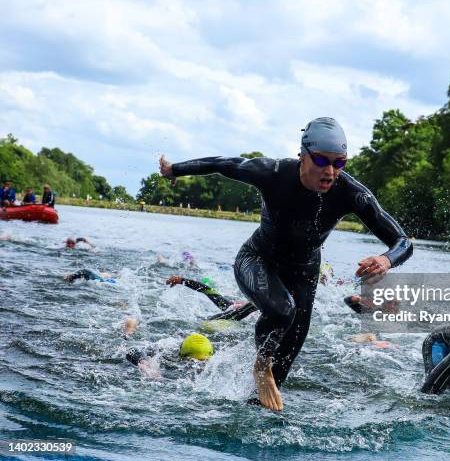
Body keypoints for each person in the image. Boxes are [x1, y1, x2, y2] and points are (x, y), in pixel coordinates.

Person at [159, 116, 413, 411]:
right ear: (302, 156)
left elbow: (403, 241)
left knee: (287, 356)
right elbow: (223, 163)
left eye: (339, 162)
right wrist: (173, 169)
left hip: (304, 273)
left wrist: (385, 259)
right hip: (256, 258)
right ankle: (260, 364)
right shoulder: (274, 172)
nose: (330, 171)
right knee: (282, 311)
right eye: (321, 160)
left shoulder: (351, 193)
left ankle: (255, 413)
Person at [166, 275, 258, 321]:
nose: (238, 305)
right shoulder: (231, 308)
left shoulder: (261, 308)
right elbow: (208, 291)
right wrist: (182, 280)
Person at [126, 333, 214, 379]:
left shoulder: (216, 363)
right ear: (182, 356)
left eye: (203, 361)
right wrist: (144, 361)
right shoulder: (167, 352)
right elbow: (131, 350)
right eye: (193, 361)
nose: (199, 366)